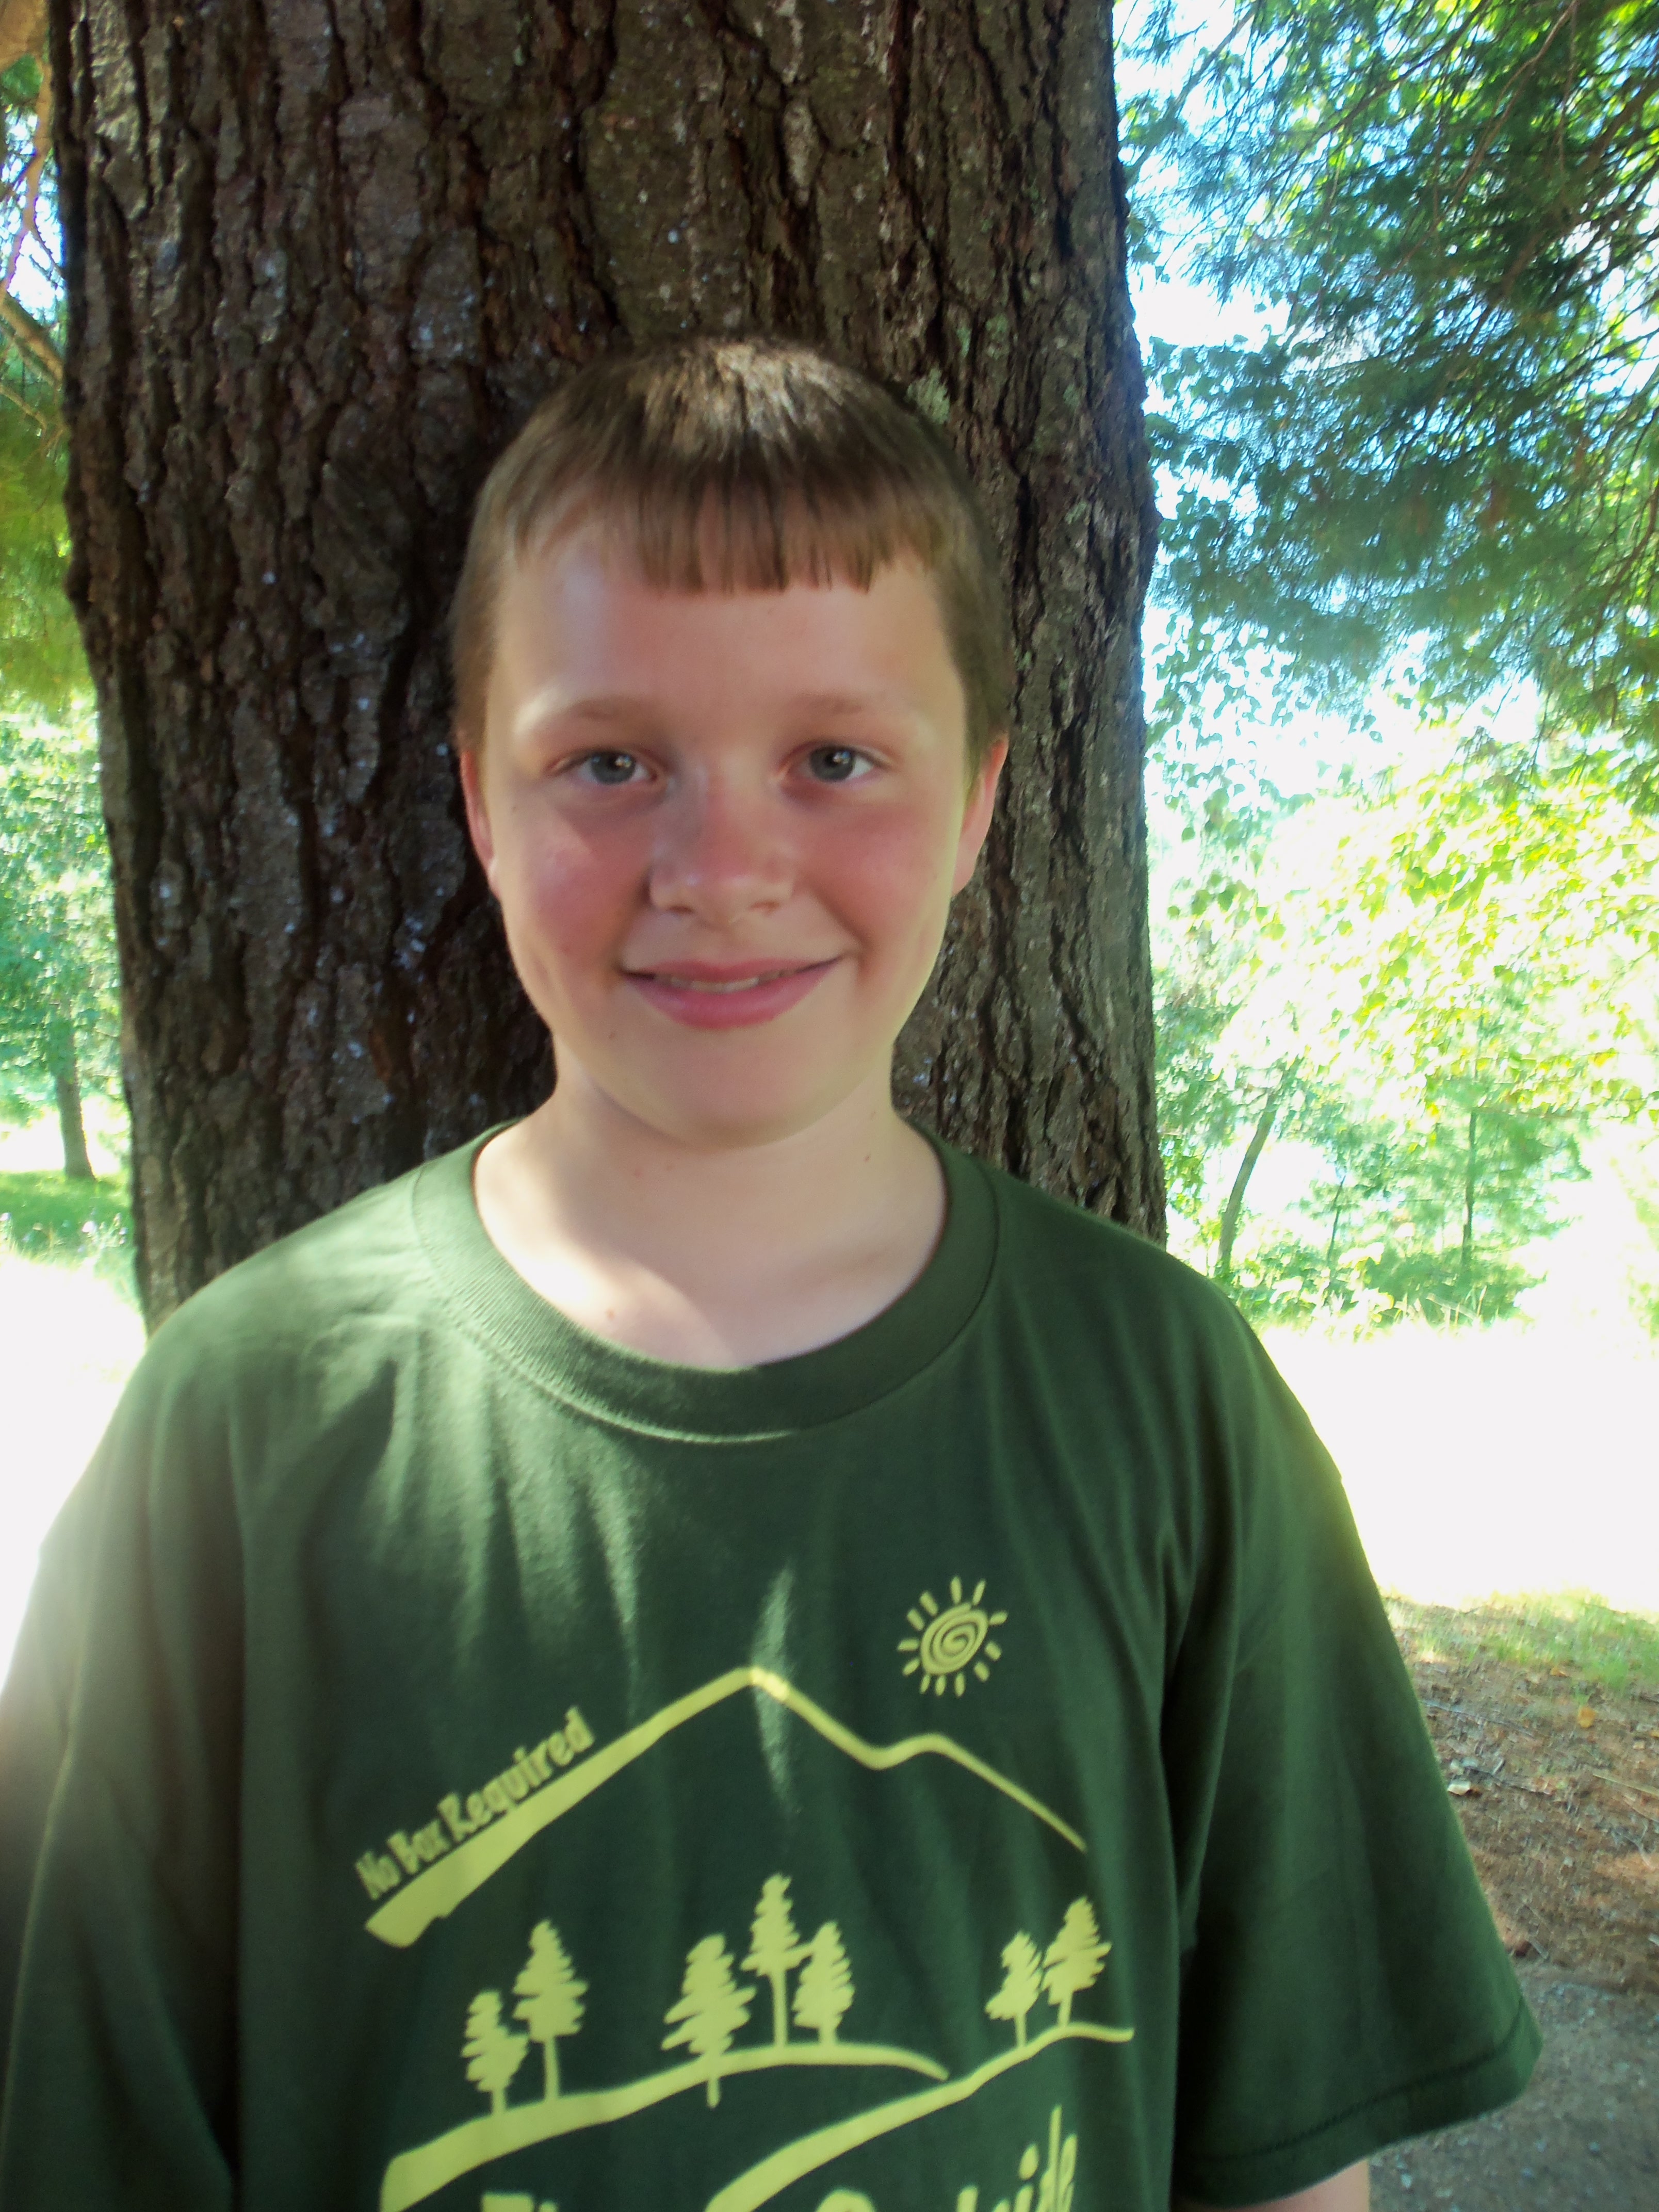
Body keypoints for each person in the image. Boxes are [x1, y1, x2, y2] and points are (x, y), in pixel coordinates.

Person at [0, 339, 1537, 2212]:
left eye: (834, 761)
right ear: (480, 801)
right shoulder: (246, 1423)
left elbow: (1288, 2148)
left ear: (976, 804)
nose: (720, 869)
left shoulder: (1164, 1393)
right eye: (609, 763)